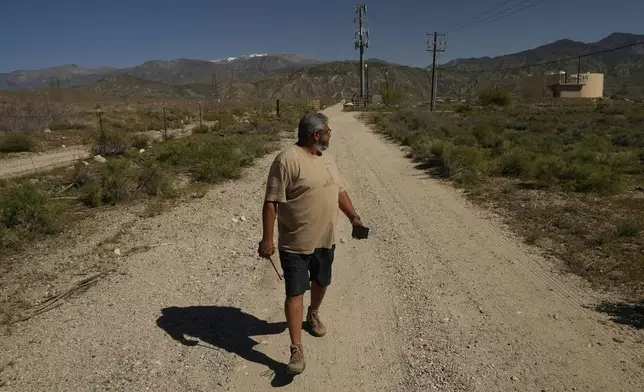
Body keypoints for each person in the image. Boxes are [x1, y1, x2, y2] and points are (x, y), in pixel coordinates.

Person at [258, 112, 364, 375]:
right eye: (327, 131)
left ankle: (313, 313)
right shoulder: (287, 160)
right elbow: (271, 201)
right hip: (295, 243)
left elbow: (339, 190)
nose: (330, 135)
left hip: (325, 239)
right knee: (295, 293)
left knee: (322, 282)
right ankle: (296, 349)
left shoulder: (326, 160)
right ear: (316, 135)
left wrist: (354, 217)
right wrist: (267, 238)